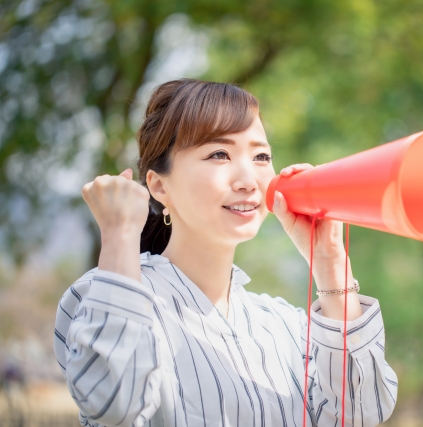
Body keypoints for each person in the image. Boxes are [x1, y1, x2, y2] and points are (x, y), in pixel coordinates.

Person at [53, 79, 398, 427]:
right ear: (159, 186)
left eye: (261, 156)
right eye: (219, 154)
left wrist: (330, 264)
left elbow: (358, 414)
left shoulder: (285, 325)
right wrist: (119, 234)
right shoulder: (105, 294)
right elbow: (114, 403)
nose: (249, 180)